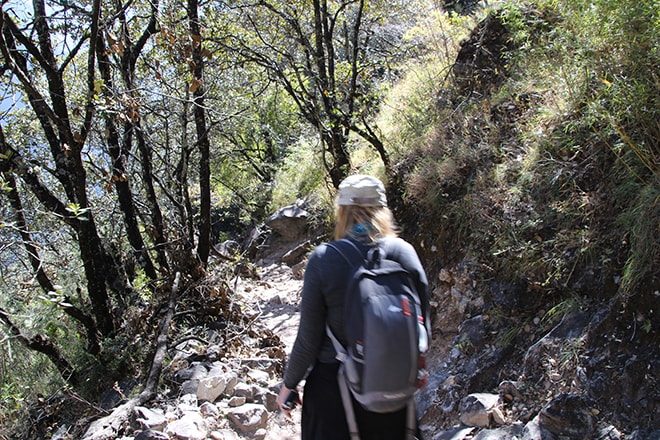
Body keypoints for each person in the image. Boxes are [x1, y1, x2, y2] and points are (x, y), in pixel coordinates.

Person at [276, 174, 430, 440]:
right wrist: (418, 366)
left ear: (341, 211)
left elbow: (308, 341)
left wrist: (289, 386)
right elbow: (422, 325)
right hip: (392, 390)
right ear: (383, 210)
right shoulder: (404, 252)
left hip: (333, 393)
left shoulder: (324, 259)